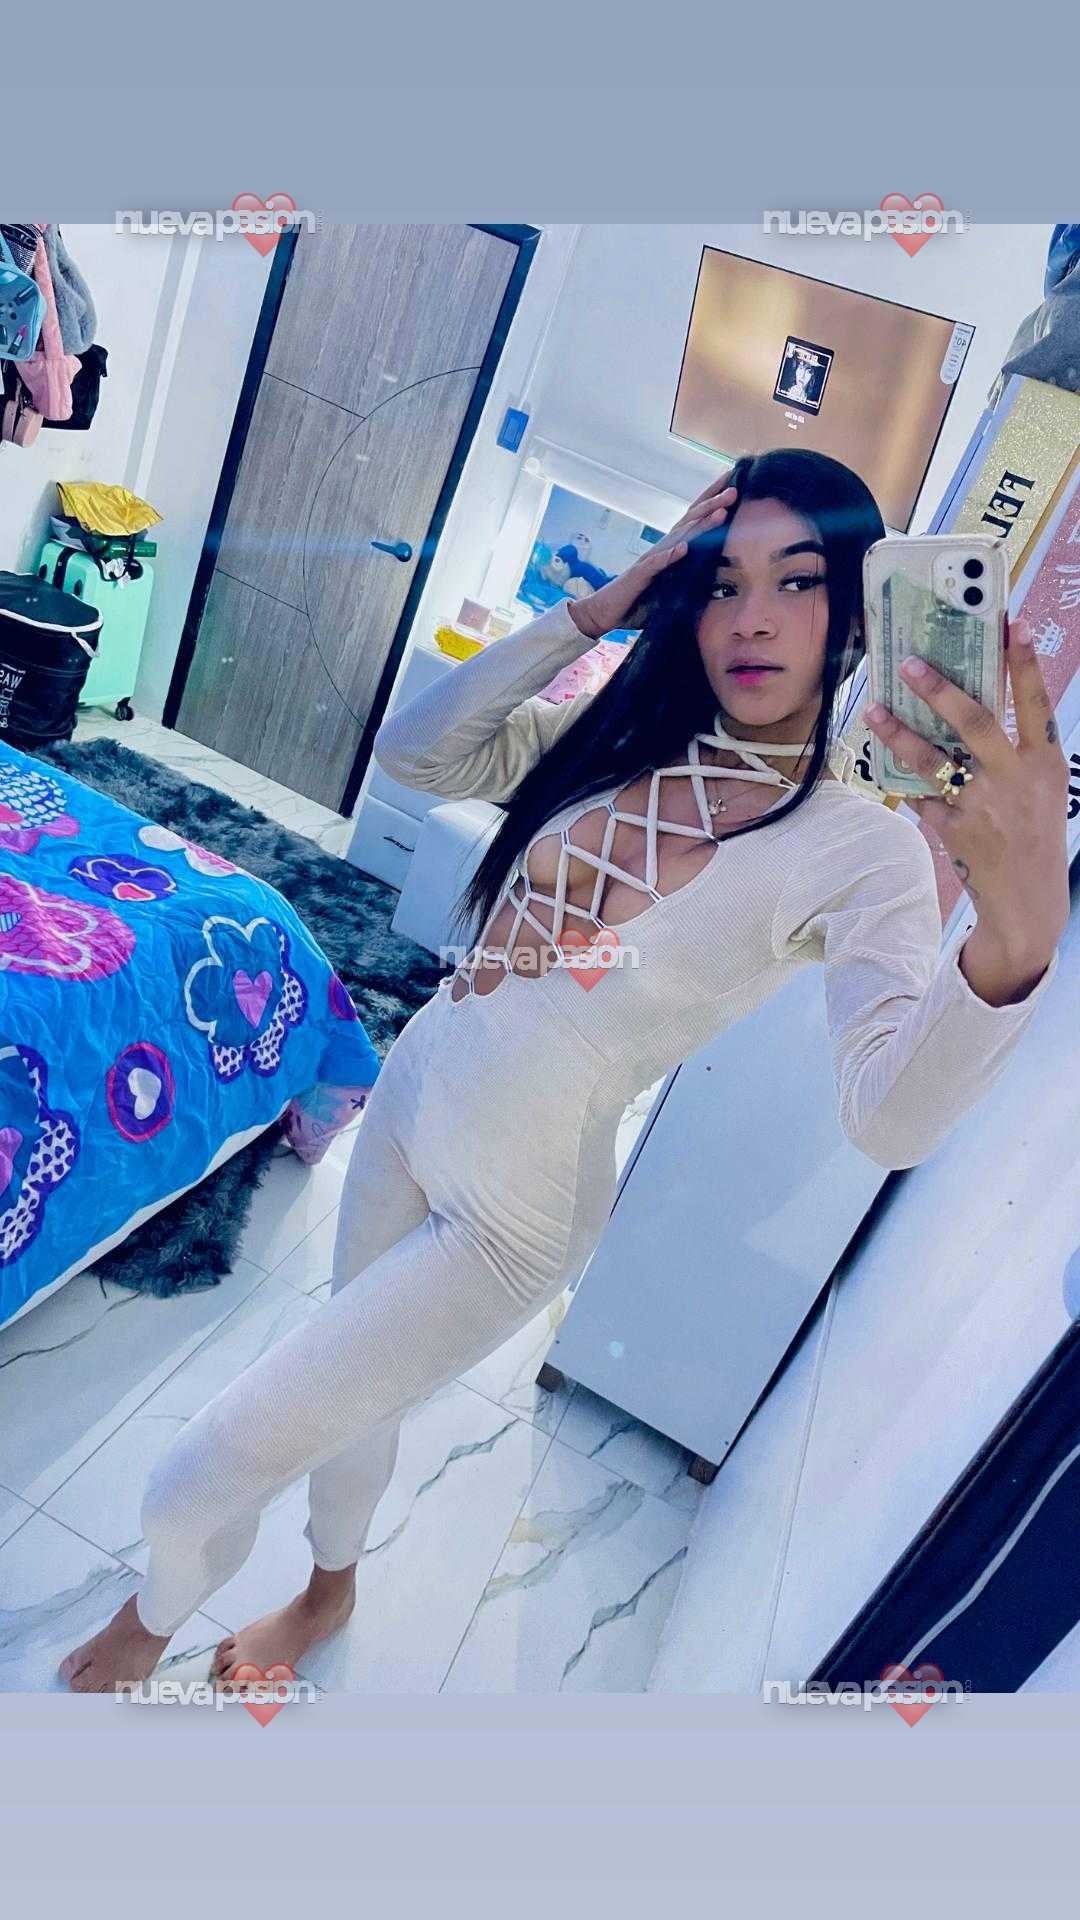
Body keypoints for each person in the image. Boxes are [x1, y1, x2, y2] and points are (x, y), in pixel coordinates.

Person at [59, 448, 1069, 1692]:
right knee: (352, 1383)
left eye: (798, 582)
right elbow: (417, 755)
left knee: (198, 1470)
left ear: (858, 613)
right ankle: (330, 1588)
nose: (750, 618)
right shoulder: (626, 737)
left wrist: (1020, 927)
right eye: (724, 581)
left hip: (515, 1210)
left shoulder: (861, 850)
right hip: (416, 1091)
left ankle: (155, 1613)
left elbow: (891, 1121)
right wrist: (594, 613)